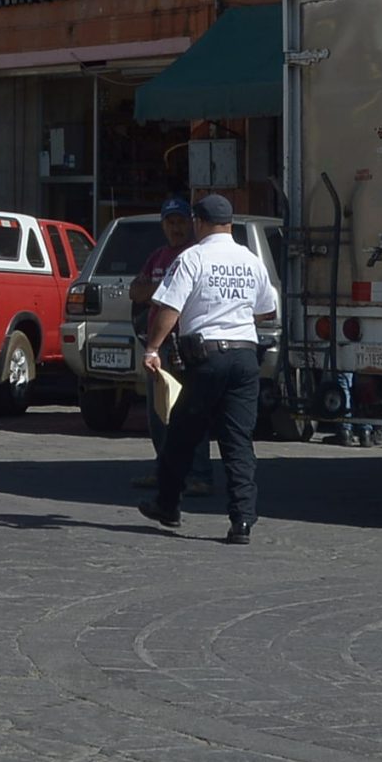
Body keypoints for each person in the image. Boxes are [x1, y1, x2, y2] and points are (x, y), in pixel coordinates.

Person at [139, 192, 278, 545]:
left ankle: (167, 505)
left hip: (206, 358)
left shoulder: (192, 258)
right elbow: (266, 310)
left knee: (181, 435)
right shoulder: (249, 260)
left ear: (199, 223)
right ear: (230, 223)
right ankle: (242, 520)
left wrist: (153, 348)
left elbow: (169, 308)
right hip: (246, 358)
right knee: (238, 442)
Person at [128, 199, 211, 497]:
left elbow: (188, 297)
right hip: (158, 347)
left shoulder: (194, 256)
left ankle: (199, 474)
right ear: (163, 225)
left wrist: (161, 292)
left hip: (186, 345)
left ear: (191, 223)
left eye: (180, 222)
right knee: (159, 413)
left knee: (189, 411)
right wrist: (164, 288)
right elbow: (135, 291)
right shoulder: (158, 256)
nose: (175, 228)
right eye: (170, 222)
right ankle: (164, 468)